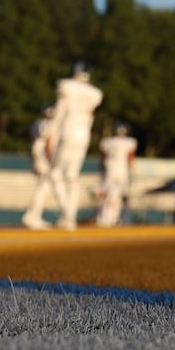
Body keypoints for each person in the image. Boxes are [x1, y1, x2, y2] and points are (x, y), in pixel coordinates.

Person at [45, 62, 104, 231]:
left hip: (68, 131)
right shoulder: (95, 94)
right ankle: (69, 217)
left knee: (55, 174)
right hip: (84, 134)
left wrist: (51, 134)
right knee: (72, 177)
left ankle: (68, 214)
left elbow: (60, 112)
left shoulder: (67, 87)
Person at [22, 102, 57, 229]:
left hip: (34, 154)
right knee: (43, 187)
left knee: (41, 186)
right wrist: (52, 160)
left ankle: (33, 215)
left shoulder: (36, 123)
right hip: (43, 156)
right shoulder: (51, 125)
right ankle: (33, 216)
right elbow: (48, 144)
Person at [96, 122, 137, 228]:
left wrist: (102, 171)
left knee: (107, 195)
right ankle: (121, 219)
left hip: (110, 171)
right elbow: (130, 158)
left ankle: (104, 218)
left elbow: (102, 158)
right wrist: (132, 172)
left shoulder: (107, 142)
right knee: (123, 196)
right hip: (123, 172)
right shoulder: (129, 142)